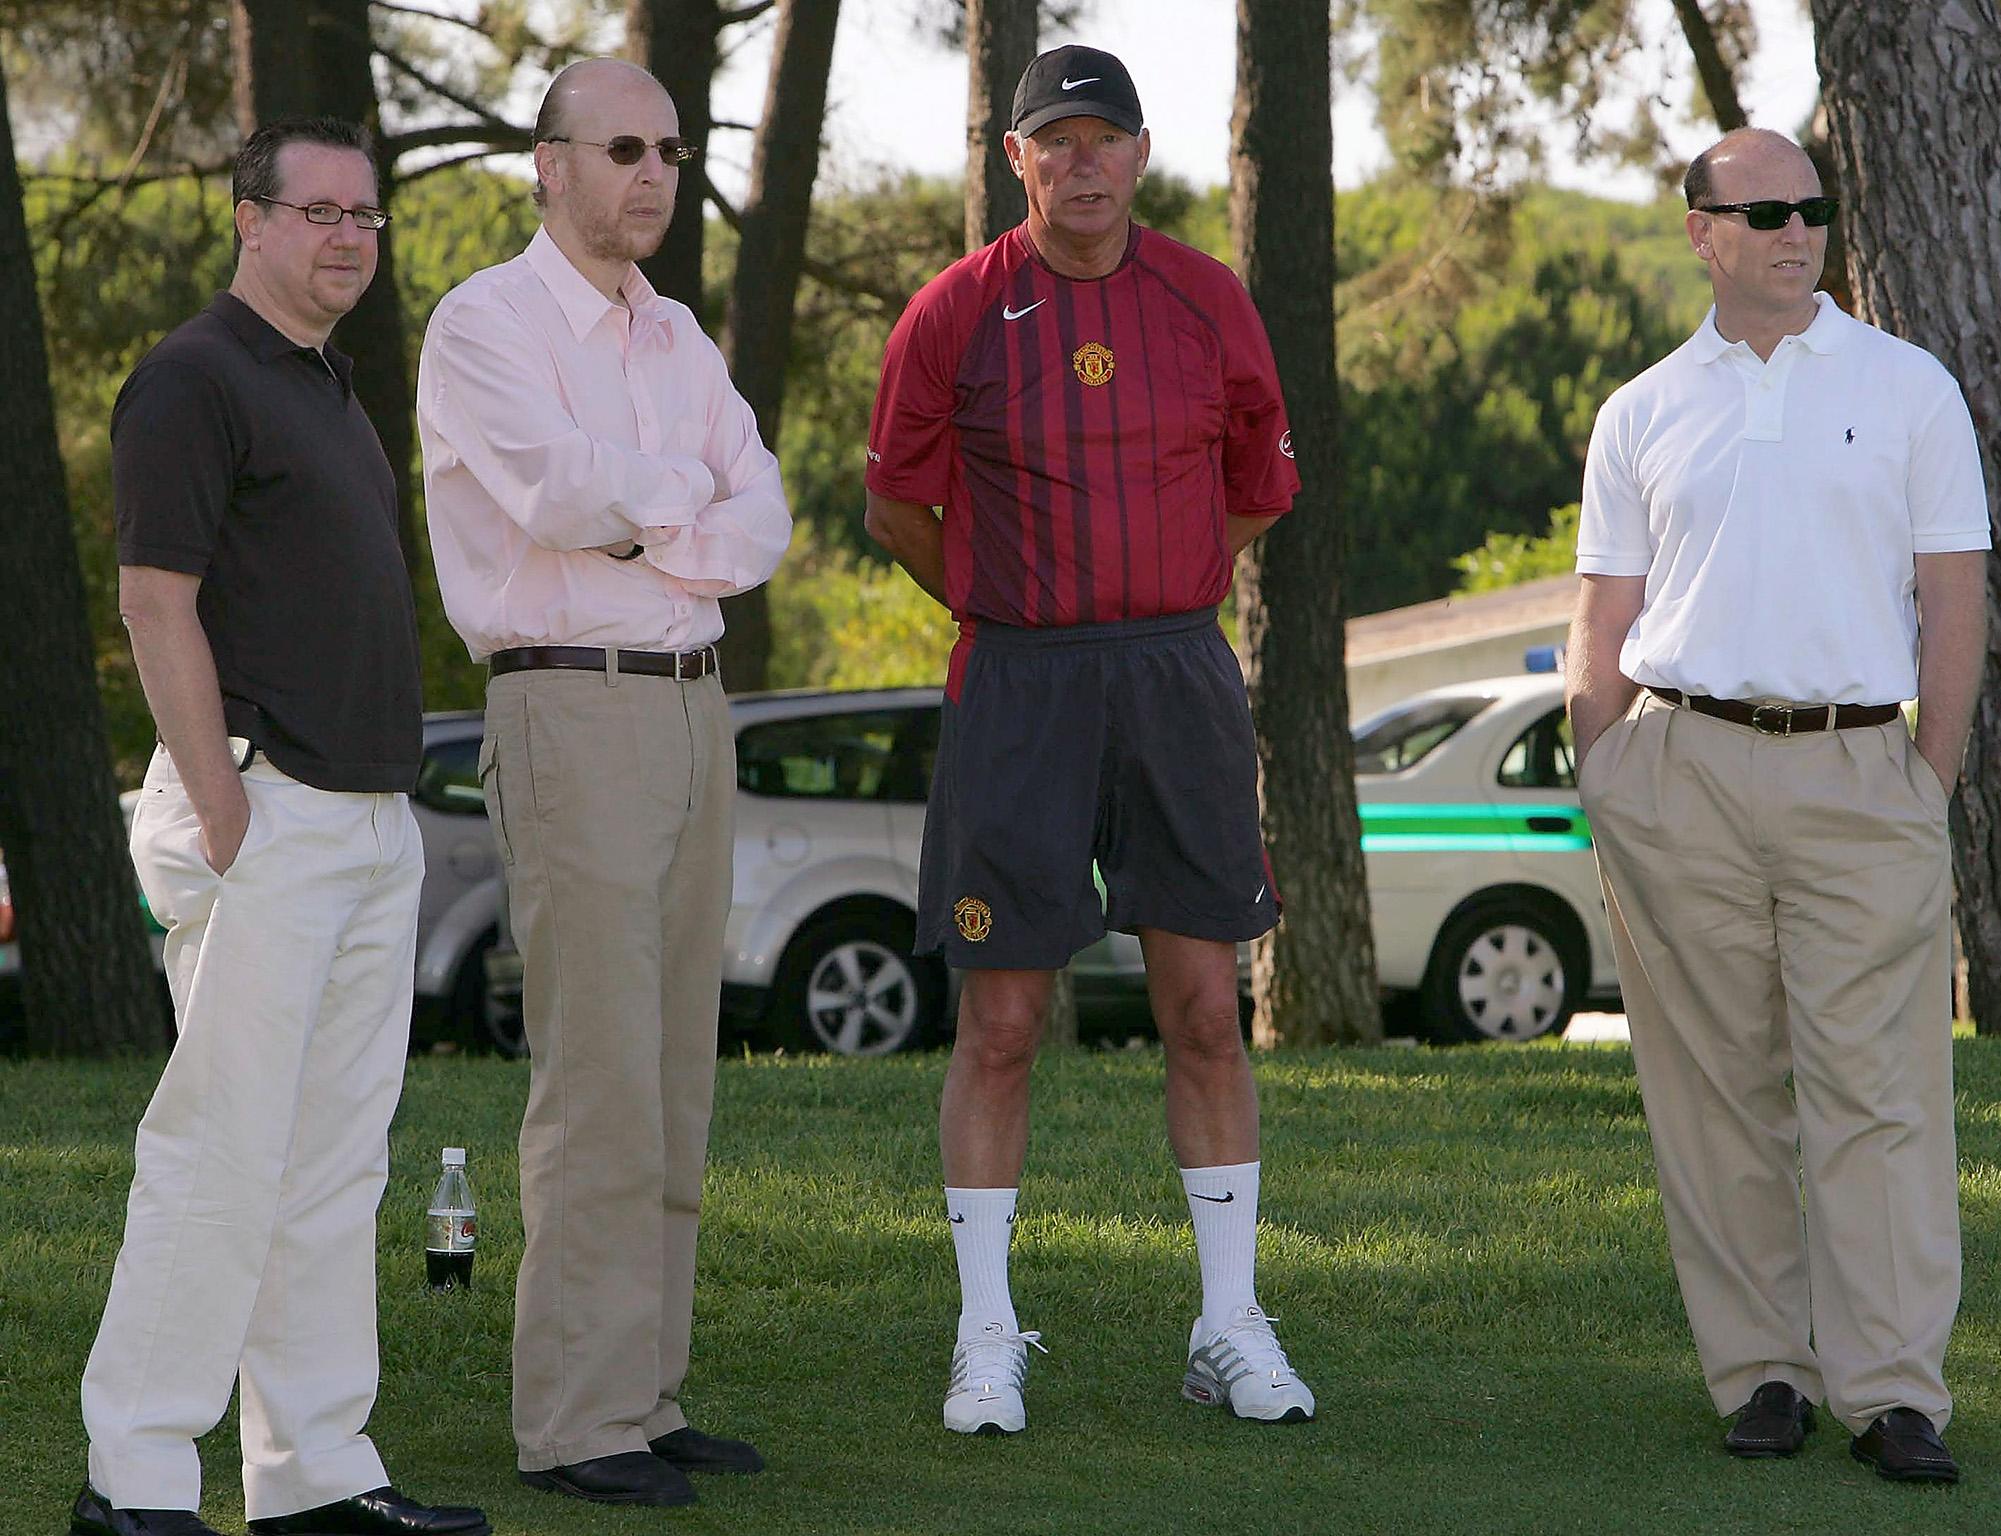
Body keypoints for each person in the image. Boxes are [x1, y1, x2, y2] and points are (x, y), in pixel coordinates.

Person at [864, 44, 1314, 1437]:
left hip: (1175, 676)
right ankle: (985, 1333)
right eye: (1053, 140)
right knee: (1002, 1022)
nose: (1081, 162)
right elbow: (897, 510)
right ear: (1017, 162)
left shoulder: (1207, 300)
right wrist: (1015, 610)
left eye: (1103, 137)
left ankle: (1229, 1323)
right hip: (1021, 685)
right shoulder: (951, 313)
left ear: (1138, 151)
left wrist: (1157, 590)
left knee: (1203, 1013)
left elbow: (1256, 490)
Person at [75, 118, 487, 1536]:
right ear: (246, 220)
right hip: (263, 812)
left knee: (333, 1163)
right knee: (222, 1153)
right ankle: (131, 1476)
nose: (345, 239)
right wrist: (231, 802)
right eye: (315, 213)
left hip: (368, 819)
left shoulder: (330, 389)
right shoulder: (193, 381)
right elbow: (153, 601)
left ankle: (313, 1475)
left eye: (366, 217)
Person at [1566, 127, 1988, 1485]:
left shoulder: (1909, 386)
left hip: (1864, 772)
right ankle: (1760, 1373)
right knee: (1716, 1093)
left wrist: (1927, 782)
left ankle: (1894, 1392)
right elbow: (1604, 617)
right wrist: (1605, 764)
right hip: (1680, 775)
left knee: (1881, 1093)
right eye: (1760, 215)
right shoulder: (1640, 410)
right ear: (1699, 231)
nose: (1794, 232)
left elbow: (1955, 601)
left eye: (1811, 209)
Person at [417, 59, 790, 1508]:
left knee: (675, 1071)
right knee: (596, 1077)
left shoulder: (679, 333)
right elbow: (559, 498)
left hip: (699, 713)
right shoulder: (481, 324)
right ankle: (574, 1421)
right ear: (546, 165)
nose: (654, 174)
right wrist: (663, 498)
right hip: (569, 710)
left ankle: (645, 1395)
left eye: (674, 152)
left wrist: (656, 518)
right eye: (624, 147)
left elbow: (756, 519)